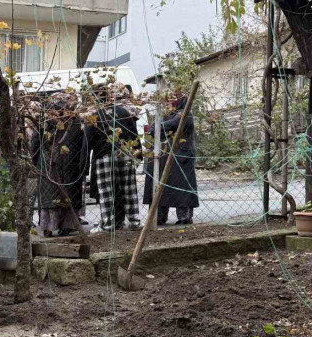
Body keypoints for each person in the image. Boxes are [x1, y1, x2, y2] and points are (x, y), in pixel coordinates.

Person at [84, 84, 141, 233]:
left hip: (104, 156)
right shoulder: (124, 111)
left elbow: (87, 143)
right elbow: (134, 134)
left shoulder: (94, 116)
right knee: (129, 188)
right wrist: (138, 155)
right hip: (125, 153)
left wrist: (83, 167)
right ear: (109, 96)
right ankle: (134, 220)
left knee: (107, 191)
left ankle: (108, 224)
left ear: (95, 98)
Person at [30, 92, 87, 237]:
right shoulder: (75, 121)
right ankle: (67, 226)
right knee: (69, 194)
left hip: (48, 163)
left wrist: (35, 160)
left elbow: (35, 142)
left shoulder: (46, 121)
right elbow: (82, 145)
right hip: (70, 162)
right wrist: (82, 165)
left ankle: (48, 227)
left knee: (50, 195)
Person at [144, 96, 199, 225]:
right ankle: (159, 217)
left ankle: (184, 217)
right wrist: (159, 128)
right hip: (165, 156)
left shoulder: (186, 114)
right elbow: (153, 130)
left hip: (182, 157)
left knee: (182, 187)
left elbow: (172, 125)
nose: (170, 104)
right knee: (161, 186)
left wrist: (159, 128)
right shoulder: (167, 115)